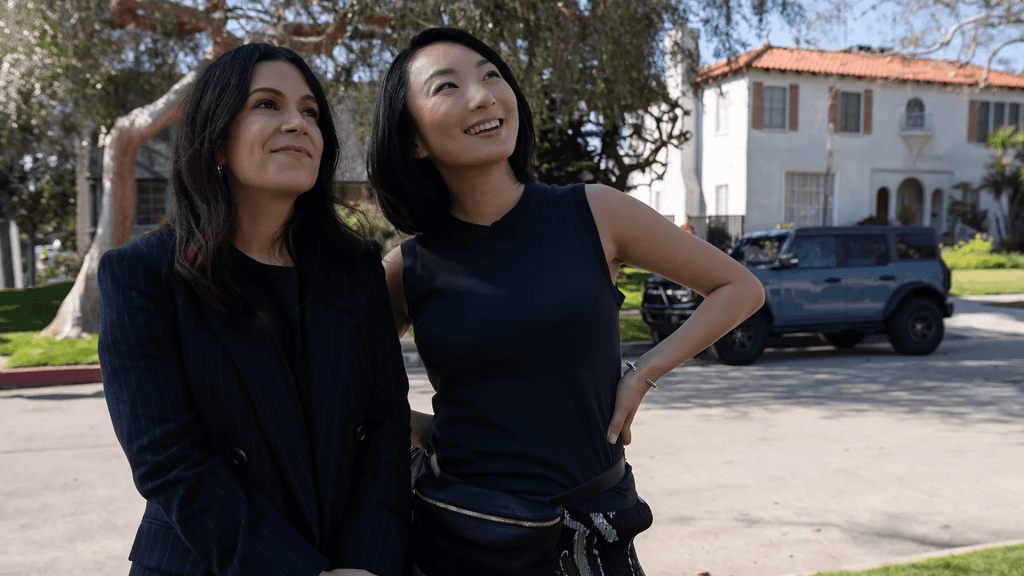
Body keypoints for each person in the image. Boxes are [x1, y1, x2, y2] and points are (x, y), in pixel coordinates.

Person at [368, 27, 765, 575]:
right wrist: (419, 427)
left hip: (597, 531)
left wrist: (644, 372)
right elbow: (344, 381)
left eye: (491, 75)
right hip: (467, 536)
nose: (482, 95)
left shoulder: (595, 212)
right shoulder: (408, 268)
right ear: (412, 139)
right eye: (447, 87)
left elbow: (740, 288)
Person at [98, 43, 410, 576]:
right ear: (216, 137)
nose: (298, 123)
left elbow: (385, 426)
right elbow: (170, 462)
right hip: (215, 561)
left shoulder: (355, 269)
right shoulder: (142, 276)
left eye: (310, 112)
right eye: (268, 104)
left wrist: (367, 562)